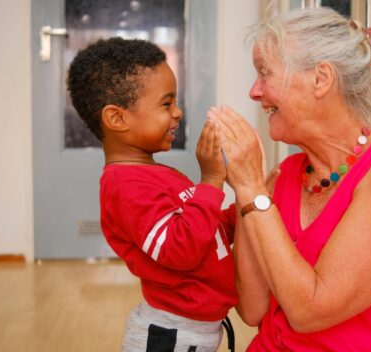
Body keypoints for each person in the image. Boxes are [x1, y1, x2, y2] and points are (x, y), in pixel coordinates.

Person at [208, 7, 371, 351]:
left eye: (265, 73)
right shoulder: (285, 177)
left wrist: (251, 188)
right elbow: (252, 309)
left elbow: (310, 310)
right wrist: (248, 188)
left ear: (321, 79)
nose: (254, 92)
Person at [67, 37, 237, 352]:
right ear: (117, 118)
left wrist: (244, 209)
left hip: (191, 331)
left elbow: (205, 235)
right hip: (171, 337)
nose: (178, 112)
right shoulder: (127, 185)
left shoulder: (155, 175)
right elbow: (182, 249)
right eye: (166, 103)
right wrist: (211, 180)